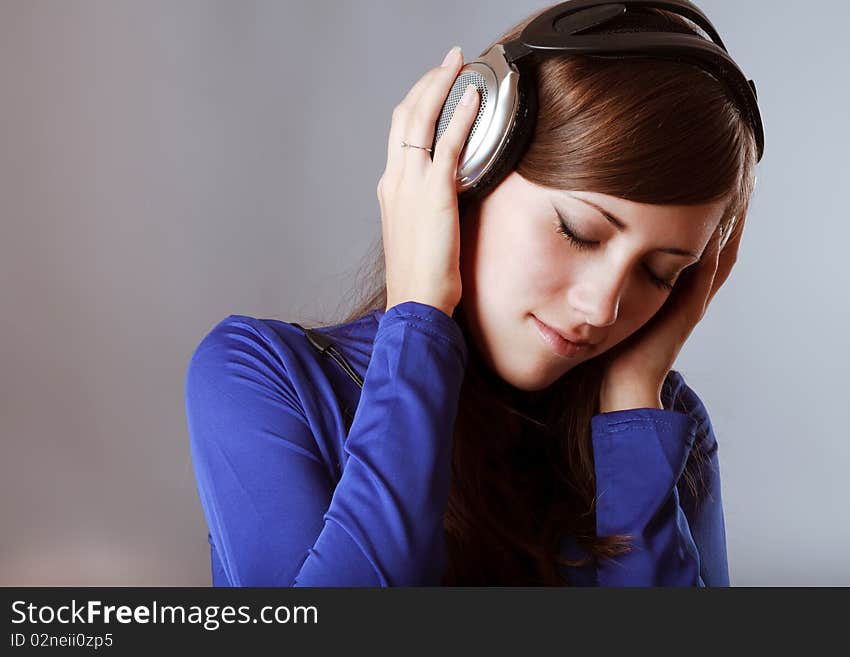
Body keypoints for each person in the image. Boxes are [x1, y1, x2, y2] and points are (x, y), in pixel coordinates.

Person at [185, 3, 760, 586]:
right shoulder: (262, 377)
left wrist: (635, 402)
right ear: (468, 164)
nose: (602, 309)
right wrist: (418, 318)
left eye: (660, 273)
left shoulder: (661, 426)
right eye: (577, 232)